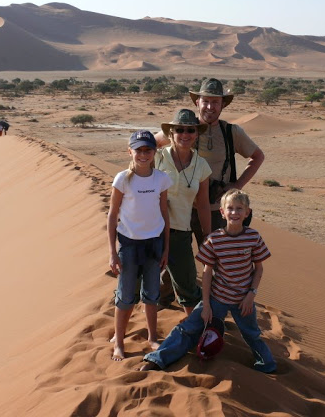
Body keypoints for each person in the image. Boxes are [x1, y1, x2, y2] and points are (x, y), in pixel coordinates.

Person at [139, 189, 276, 373]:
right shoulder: (214, 239)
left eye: (239, 208)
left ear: (247, 212)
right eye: (230, 208)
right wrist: (206, 305)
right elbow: (207, 273)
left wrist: (251, 295)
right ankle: (157, 359)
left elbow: (258, 268)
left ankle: (267, 366)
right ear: (222, 212)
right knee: (187, 327)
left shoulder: (253, 237)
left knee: (252, 335)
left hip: (243, 299)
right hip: (216, 297)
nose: (234, 213)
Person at [156, 78, 265, 244]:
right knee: (170, 259)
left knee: (215, 259)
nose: (209, 107)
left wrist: (237, 185)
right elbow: (150, 143)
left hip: (215, 210)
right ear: (197, 103)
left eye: (215, 102)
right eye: (205, 101)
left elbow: (258, 156)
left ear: (223, 105)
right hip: (179, 207)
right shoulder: (184, 128)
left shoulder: (232, 132)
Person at [107, 130, 172, 361]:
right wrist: (113, 253)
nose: (143, 154)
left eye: (148, 150)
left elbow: (165, 214)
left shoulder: (161, 179)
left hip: (154, 245)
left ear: (155, 152)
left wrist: (166, 249)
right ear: (130, 151)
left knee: (152, 295)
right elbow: (112, 215)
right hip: (129, 245)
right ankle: (119, 342)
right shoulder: (123, 179)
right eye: (139, 150)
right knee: (125, 296)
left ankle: (152, 337)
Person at [156, 109, 212, 316]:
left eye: (190, 130)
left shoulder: (201, 165)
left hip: (180, 232)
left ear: (197, 134)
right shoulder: (156, 158)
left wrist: (207, 235)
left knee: (187, 287)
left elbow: (203, 204)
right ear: (171, 133)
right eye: (179, 129)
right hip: (150, 230)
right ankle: (121, 337)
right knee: (138, 283)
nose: (185, 134)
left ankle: (197, 331)